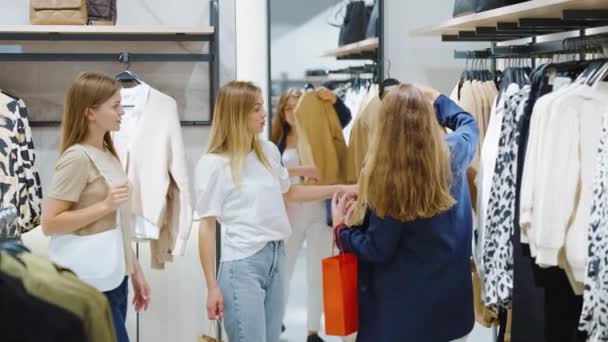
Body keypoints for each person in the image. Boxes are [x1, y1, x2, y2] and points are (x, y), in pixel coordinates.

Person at [196, 81, 356, 342]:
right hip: (242, 264)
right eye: (256, 109)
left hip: (276, 256)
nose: (264, 114)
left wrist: (339, 188)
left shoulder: (268, 152)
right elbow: (206, 225)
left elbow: (289, 193)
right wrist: (211, 286)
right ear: (237, 114)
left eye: (263, 107)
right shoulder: (213, 164)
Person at [332, 84, 479, 342]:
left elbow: (378, 248)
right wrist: (437, 101)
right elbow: (469, 124)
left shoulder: (386, 179)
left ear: (386, 126)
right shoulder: (454, 153)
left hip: (404, 317)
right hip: (451, 311)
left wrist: (341, 231)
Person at [42, 72, 151, 342]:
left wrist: (134, 270)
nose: (121, 113)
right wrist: (104, 205)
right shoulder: (76, 158)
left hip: (113, 275)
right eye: (115, 106)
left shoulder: (107, 153)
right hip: (89, 281)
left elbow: (118, 223)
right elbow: (50, 223)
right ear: (90, 112)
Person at [271, 88, 332, 342]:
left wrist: (333, 100)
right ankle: (276, 321)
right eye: (288, 108)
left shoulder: (317, 136)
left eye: (297, 107)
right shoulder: (277, 143)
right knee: (283, 271)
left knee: (317, 273)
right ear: (282, 112)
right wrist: (301, 169)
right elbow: (274, 173)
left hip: (318, 209)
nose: (292, 113)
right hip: (291, 212)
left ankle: (312, 330)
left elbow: (322, 169)